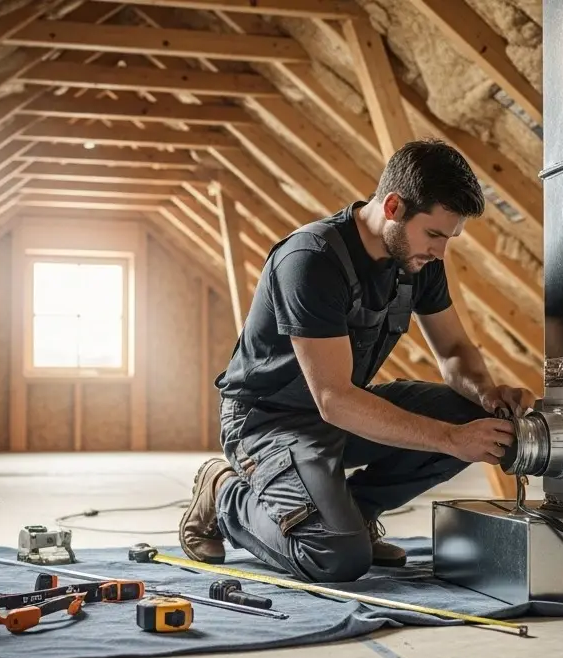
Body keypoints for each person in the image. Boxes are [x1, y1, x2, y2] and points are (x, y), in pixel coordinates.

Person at [180, 139, 534, 583]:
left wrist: (487, 394)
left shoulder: (418, 262)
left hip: (339, 414)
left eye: (449, 238)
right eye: (434, 235)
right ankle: (224, 494)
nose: (440, 252)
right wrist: (450, 439)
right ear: (393, 206)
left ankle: (356, 513)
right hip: (268, 423)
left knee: (473, 417)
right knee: (336, 557)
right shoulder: (311, 260)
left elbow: (454, 351)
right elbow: (333, 399)